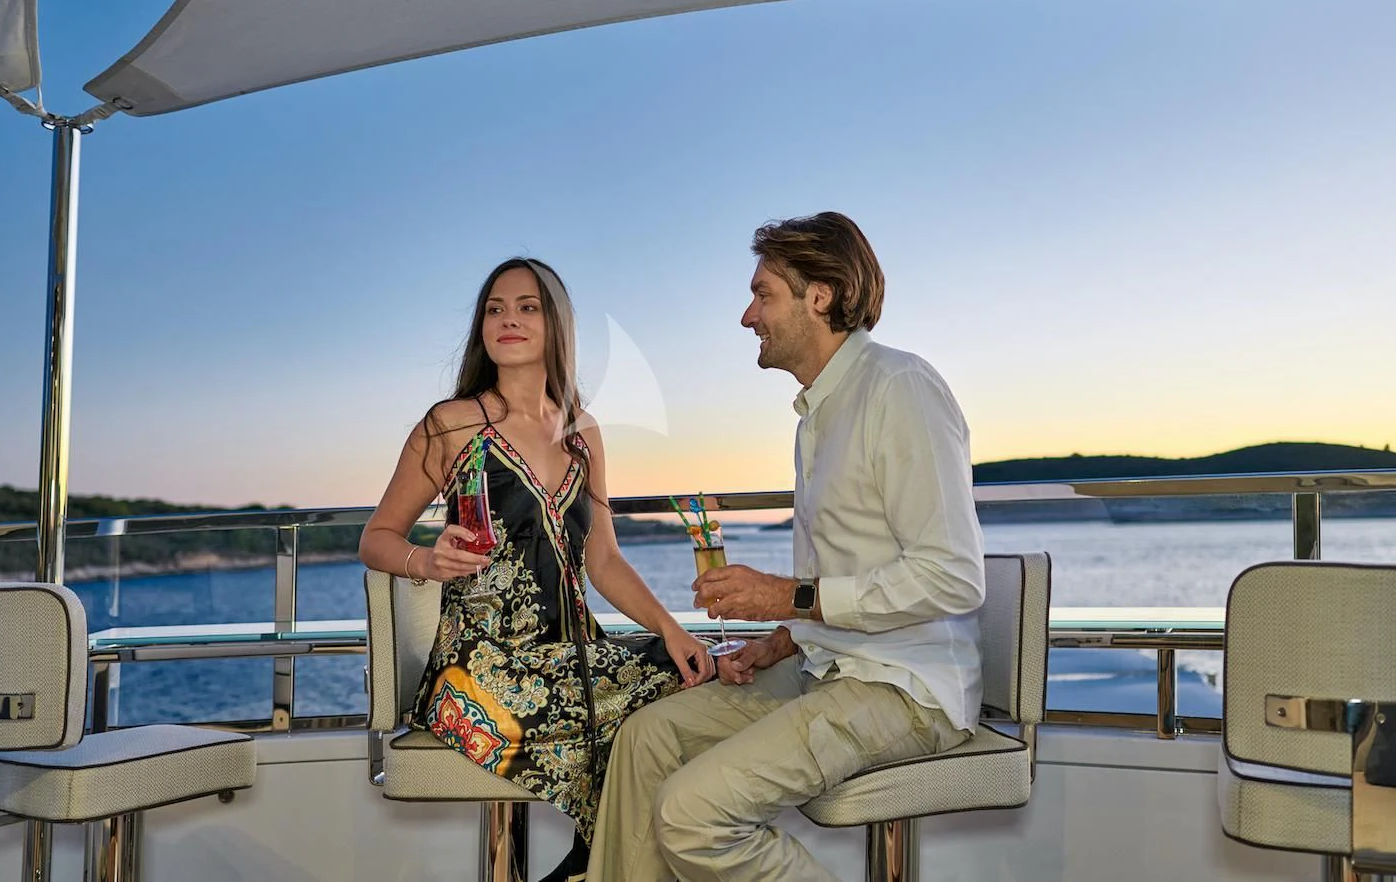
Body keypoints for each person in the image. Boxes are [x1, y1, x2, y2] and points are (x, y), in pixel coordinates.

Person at [587, 212, 986, 882]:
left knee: (691, 814)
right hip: (827, 666)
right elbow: (847, 575)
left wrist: (785, 595)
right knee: (644, 738)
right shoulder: (815, 416)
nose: (748, 315)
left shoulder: (899, 388)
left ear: (820, 295)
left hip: (904, 686)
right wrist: (780, 638)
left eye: (763, 292)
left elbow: (953, 576)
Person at [359, 257, 714, 882]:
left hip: (571, 651)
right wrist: (426, 559)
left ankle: (590, 863)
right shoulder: (450, 424)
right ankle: (594, 862)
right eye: (495, 309)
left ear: (556, 326)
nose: (508, 320)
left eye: (527, 307)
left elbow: (602, 559)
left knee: (692, 664)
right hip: (479, 670)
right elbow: (376, 538)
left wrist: (669, 628)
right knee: (649, 704)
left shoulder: (584, 434)